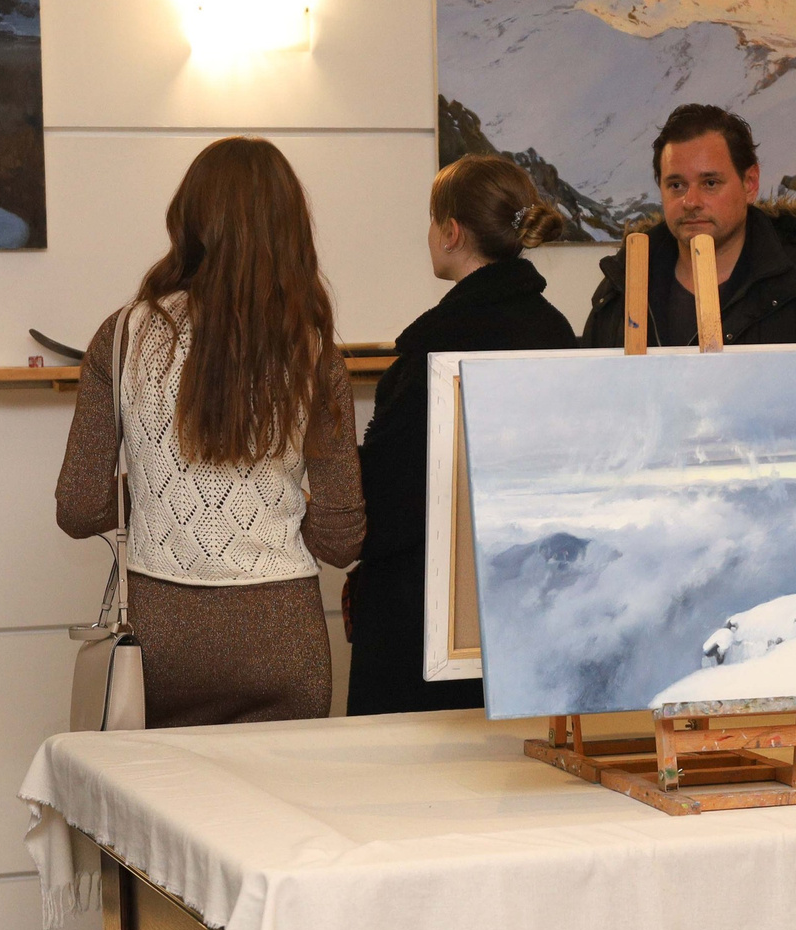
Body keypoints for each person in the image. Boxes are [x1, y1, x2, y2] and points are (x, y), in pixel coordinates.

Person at [55, 136, 364, 725]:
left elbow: (78, 508)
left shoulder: (123, 336)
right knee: (280, 816)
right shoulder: (313, 347)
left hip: (161, 638)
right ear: (291, 228)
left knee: (158, 812)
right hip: (283, 636)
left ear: (188, 220)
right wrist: (279, 511)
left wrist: (154, 493)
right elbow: (343, 537)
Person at [346, 156, 578, 715]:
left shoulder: (436, 346)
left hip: (427, 625)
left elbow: (389, 505)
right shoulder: (558, 333)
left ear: (451, 232)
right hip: (536, 610)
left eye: (432, 221)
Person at [579, 104, 796, 348]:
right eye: (676, 184)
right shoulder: (621, 289)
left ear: (750, 183)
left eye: (710, 183)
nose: (690, 201)